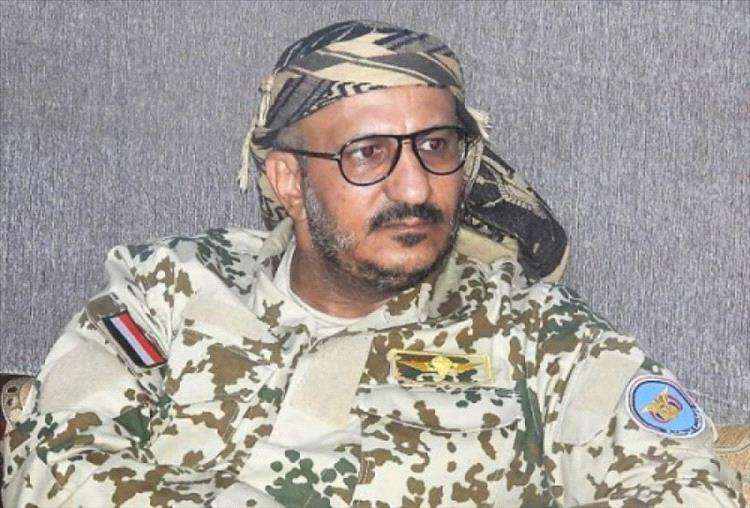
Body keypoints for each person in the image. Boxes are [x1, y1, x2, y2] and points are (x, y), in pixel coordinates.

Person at [1, 20, 745, 508]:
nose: (415, 188)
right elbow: (55, 463)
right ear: (287, 181)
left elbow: (684, 488)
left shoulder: (535, 332)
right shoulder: (170, 290)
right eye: (368, 154)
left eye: (437, 147)